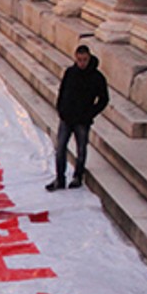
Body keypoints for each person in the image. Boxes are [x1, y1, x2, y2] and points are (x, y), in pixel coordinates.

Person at [46, 45, 109, 192]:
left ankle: (77, 176)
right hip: (66, 118)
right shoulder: (70, 72)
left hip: (82, 119)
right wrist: (60, 108)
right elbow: (62, 90)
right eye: (79, 60)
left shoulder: (97, 77)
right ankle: (59, 178)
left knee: (81, 149)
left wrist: (90, 113)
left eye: (84, 60)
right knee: (60, 148)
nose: (81, 63)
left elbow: (104, 99)